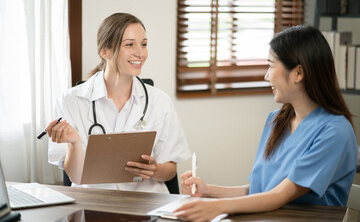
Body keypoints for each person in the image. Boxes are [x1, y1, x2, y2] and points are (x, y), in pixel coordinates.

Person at [174, 25, 358, 221]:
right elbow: (260, 192)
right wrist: (208, 191)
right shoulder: (276, 120)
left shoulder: (335, 132)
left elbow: (279, 196)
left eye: (270, 65)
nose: (266, 75)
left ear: (298, 73)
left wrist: (217, 207)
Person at [47, 13, 191, 193]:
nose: (141, 53)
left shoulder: (159, 101)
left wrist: (155, 170)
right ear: (104, 51)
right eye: (129, 44)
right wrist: (74, 143)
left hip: (147, 204)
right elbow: (75, 177)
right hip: (94, 204)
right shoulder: (71, 101)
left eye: (144, 44)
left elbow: (170, 171)